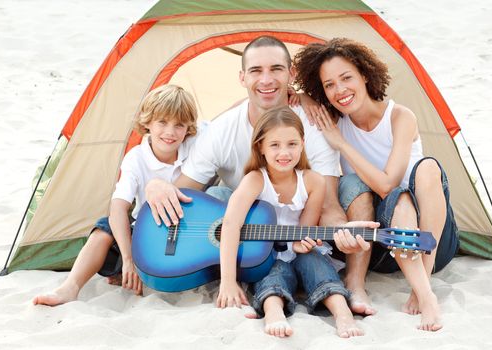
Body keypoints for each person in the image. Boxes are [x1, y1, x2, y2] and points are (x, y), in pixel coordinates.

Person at [144, 35, 378, 315]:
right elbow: (184, 189)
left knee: (355, 186)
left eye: (276, 69)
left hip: (303, 221)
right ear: (242, 78)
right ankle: (234, 277)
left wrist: (344, 232)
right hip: (249, 224)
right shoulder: (222, 130)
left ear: (291, 74)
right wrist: (157, 185)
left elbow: (328, 206)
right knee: (216, 196)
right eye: (256, 71)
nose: (266, 80)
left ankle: (355, 281)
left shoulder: (312, 126)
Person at [293, 38, 460, 331]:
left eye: (346, 78)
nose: (340, 90)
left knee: (425, 171)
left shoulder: (399, 116)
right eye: (329, 84)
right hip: (385, 247)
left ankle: (423, 288)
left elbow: (386, 184)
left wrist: (341, 143)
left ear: (365, 75)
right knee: (394, 198)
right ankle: (424, 292)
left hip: (434, 242)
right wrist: (305, 98)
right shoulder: (332, 121)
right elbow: (278, 92)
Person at [32, 85, 199, 306]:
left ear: (189, 128)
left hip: (187, 231)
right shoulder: (136, 158)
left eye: (179, 125)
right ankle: (69, 287)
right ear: (147, 122)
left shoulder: (196, 146)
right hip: (148, 231)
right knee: (104, 228)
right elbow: (118, 207)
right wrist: (129, 258)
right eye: (162, 122)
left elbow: (227, 121)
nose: (170, 132)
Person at [216, 106, 362, 338]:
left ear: (303, 143)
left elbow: (305, 229)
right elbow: (231, 226)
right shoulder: (255, 180)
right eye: (275, 145)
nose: (284, 152)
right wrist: (228, 282)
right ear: (260, 147)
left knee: (317, 265)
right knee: (273, 273)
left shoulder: (314, 181)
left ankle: (343, 314)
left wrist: (299, 245)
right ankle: (274, 313)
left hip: (298, 249)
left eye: (292, 144)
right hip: (268, 254)